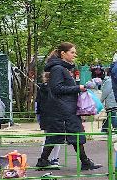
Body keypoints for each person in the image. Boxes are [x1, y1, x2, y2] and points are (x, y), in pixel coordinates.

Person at [35, 43, 98, 171]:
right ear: (63, 53)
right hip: (63, 109)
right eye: (72, 52)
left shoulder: (62, 68)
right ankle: (84, 162)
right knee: (72, 134)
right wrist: (78, 88)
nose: (75, 55)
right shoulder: (58, 69)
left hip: (64, 108)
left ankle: (43, 160)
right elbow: (56, 88)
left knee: (61, 135)